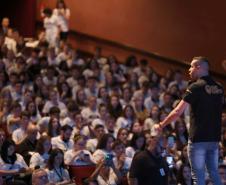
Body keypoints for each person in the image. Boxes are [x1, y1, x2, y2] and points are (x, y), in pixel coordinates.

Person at [155, 56, 225, 185]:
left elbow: (177, 112)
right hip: (214, 139)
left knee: (198, 177)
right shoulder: (220, 87)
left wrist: (161, 124)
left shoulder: (195, 87)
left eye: (192, 66)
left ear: (199, 67)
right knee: (214, 173)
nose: (189, 70)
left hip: (198, 139)